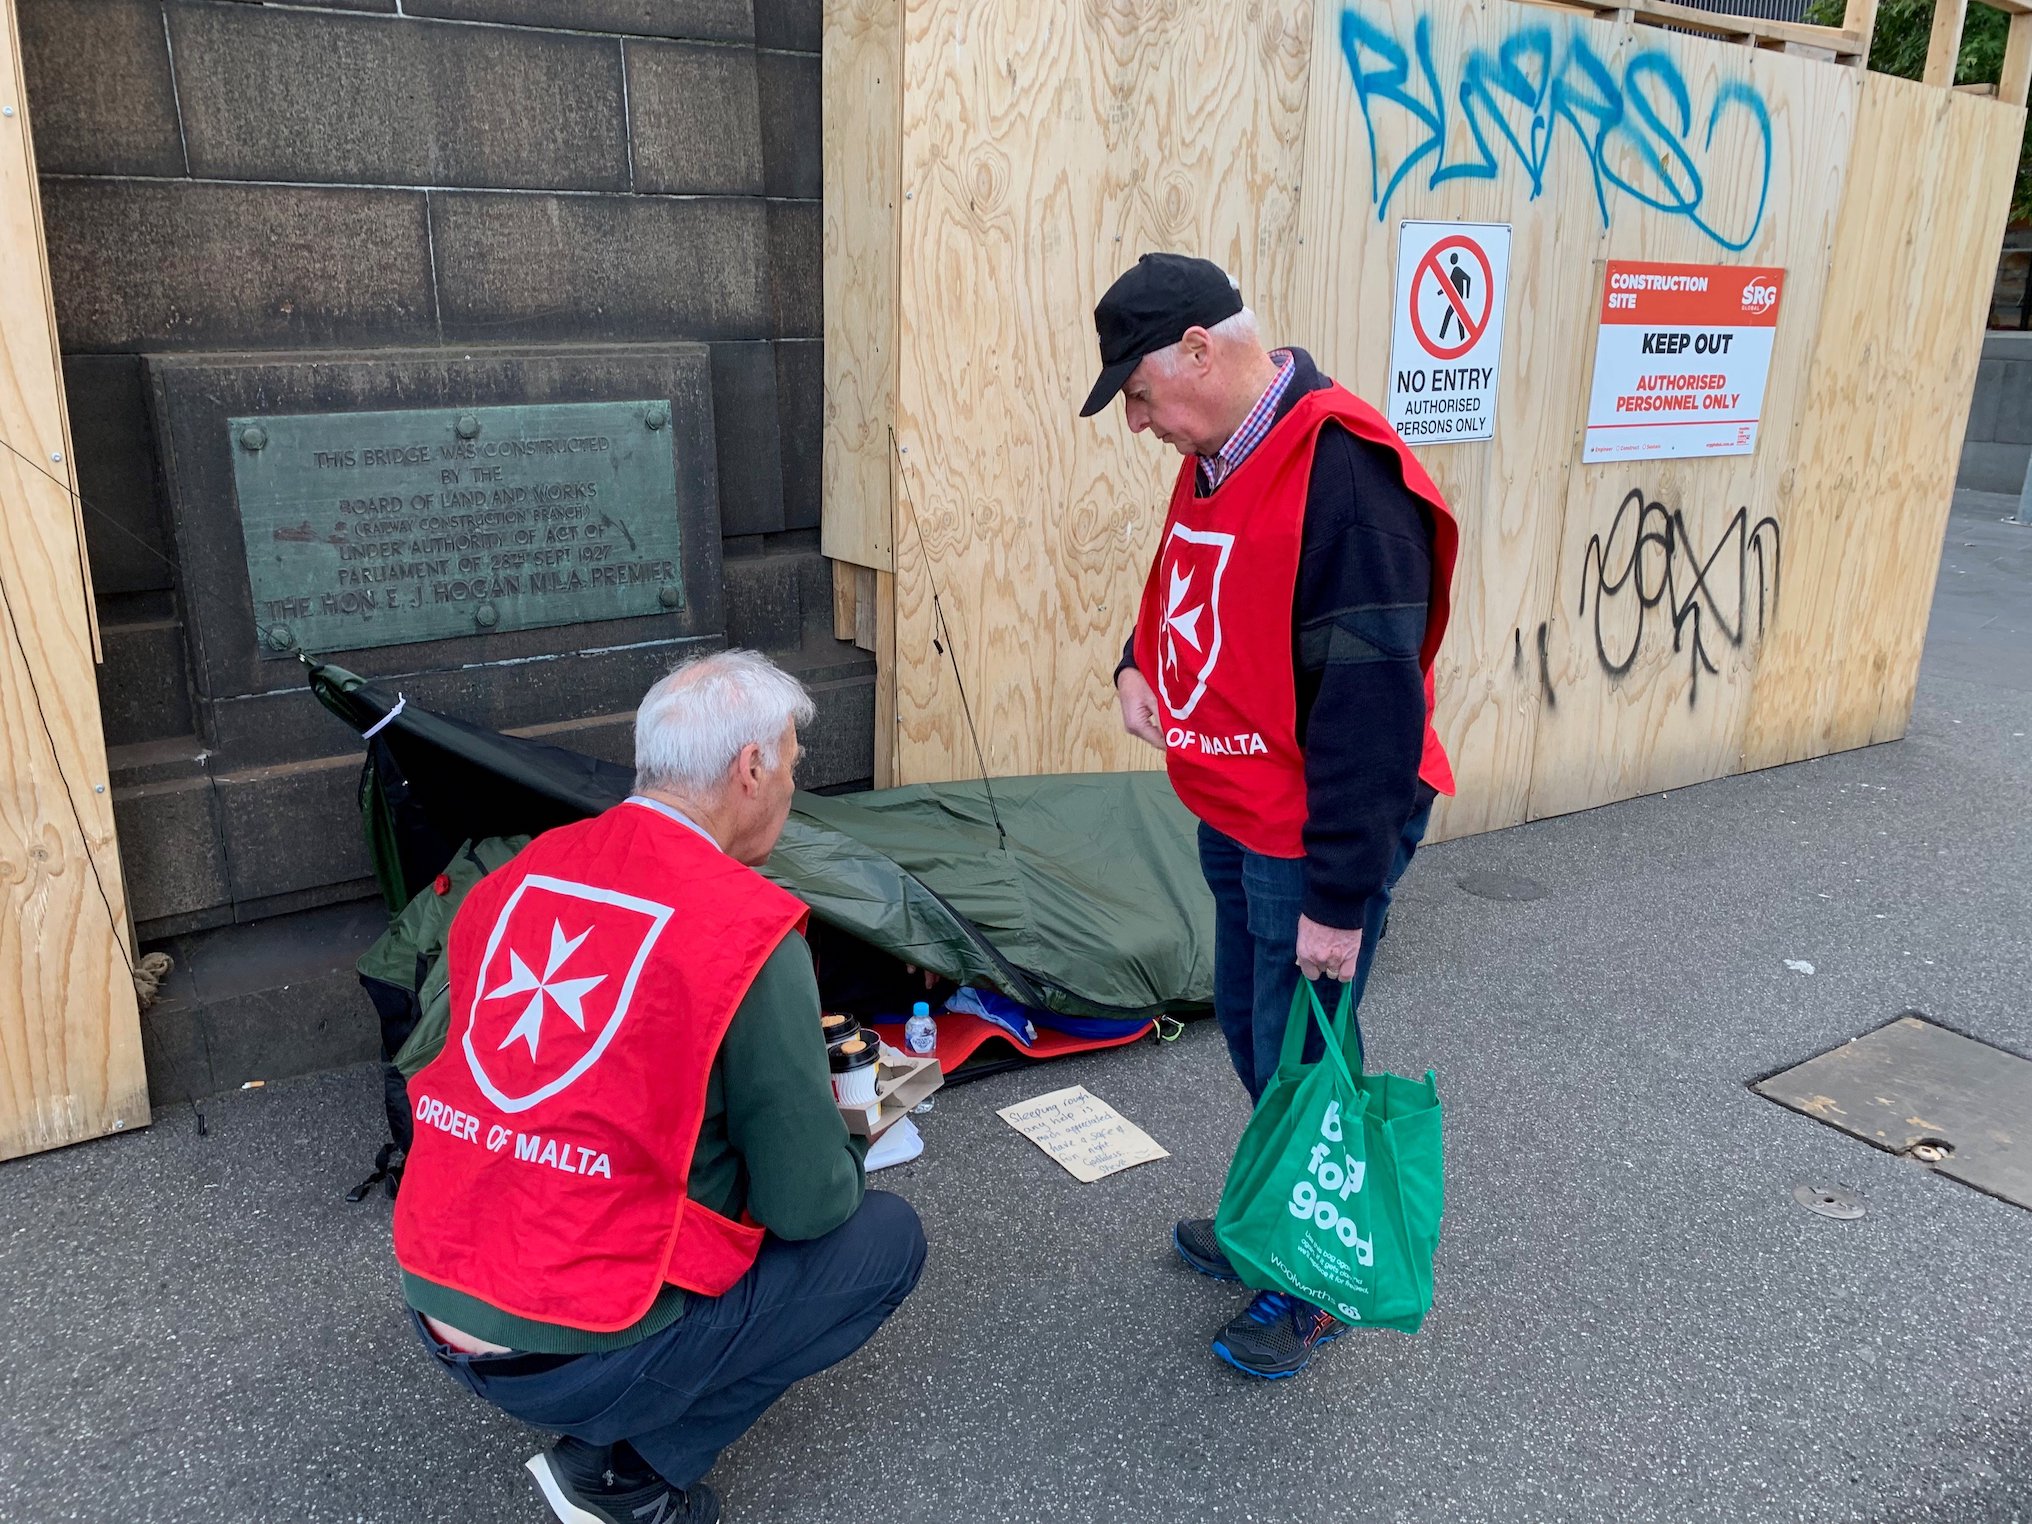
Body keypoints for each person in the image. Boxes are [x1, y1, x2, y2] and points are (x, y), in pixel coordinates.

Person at [392, 649, 927, 1524]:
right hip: (574, 1346)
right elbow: (808, 1206)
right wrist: (850, 1134)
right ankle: (623, 1478)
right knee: (881, 1240)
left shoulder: (514, 877)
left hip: (436, 1287)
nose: (794, 783)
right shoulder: (746, 927)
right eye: (793, 763)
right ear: (751, 769)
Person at [1080, 253, 1457, 1380]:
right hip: (1242, 801)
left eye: (1140, 395)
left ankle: (1313, 1278)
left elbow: (1374, 707)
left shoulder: (1343, 474)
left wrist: (1341, 898)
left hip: (1315, 825)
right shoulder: (1221, 454)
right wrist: (1135, 663)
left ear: (1200, 348)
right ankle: (1271, 1213)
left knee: (1305, 1050)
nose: (1139, 424)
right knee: (1257, 1032)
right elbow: (1189, 590)